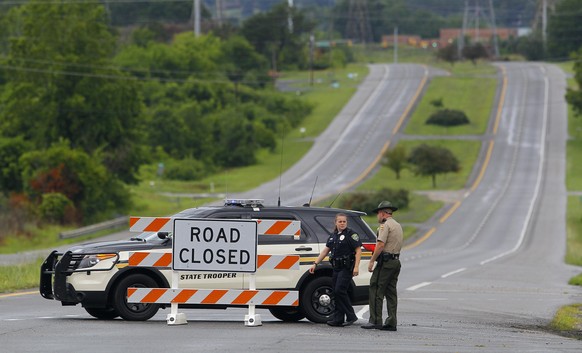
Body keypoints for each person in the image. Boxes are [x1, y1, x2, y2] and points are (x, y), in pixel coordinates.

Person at [309, 213, 362, 327]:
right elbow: (325, 251)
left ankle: (351, 315)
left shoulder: (351, 235)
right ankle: (338, 319)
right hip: (336, 268)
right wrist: (315, 263)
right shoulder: (333, 236)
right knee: (336, 292)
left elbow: (358, 251)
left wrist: (356, 267)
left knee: (339, 290)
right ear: (335, 222)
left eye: (344, 221)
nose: (342, 223)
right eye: (340, 221)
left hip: (346, 268)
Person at [361, 201, 403, 331]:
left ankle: (375, 320)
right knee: (391, 292)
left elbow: (380, 245)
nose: (377, 216)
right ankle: (391, 321)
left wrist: (372, 261)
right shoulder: (398, 225)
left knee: (375, 288)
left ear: (383, 213)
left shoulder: (385, 226)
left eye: (378, 213)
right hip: (395, 261)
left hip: (385, 262)